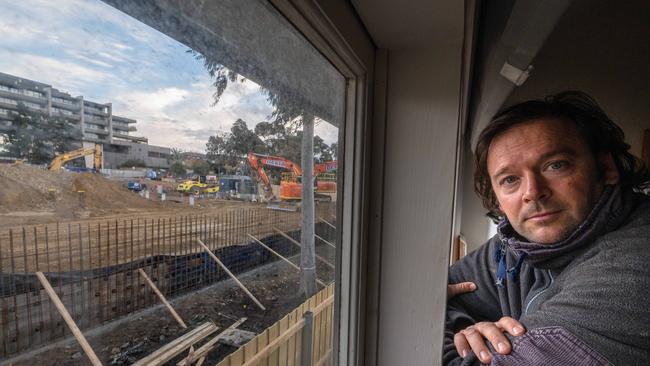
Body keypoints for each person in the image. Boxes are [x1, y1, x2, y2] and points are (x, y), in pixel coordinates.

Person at [443, 91, 650, 365]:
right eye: (509, 179)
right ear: (498, 201)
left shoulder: (633, 269)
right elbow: (441, 291)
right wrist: (461, 330)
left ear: (605, 167)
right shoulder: (518, 245)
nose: (533, 192)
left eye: (555, 165)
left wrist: (448, 337)